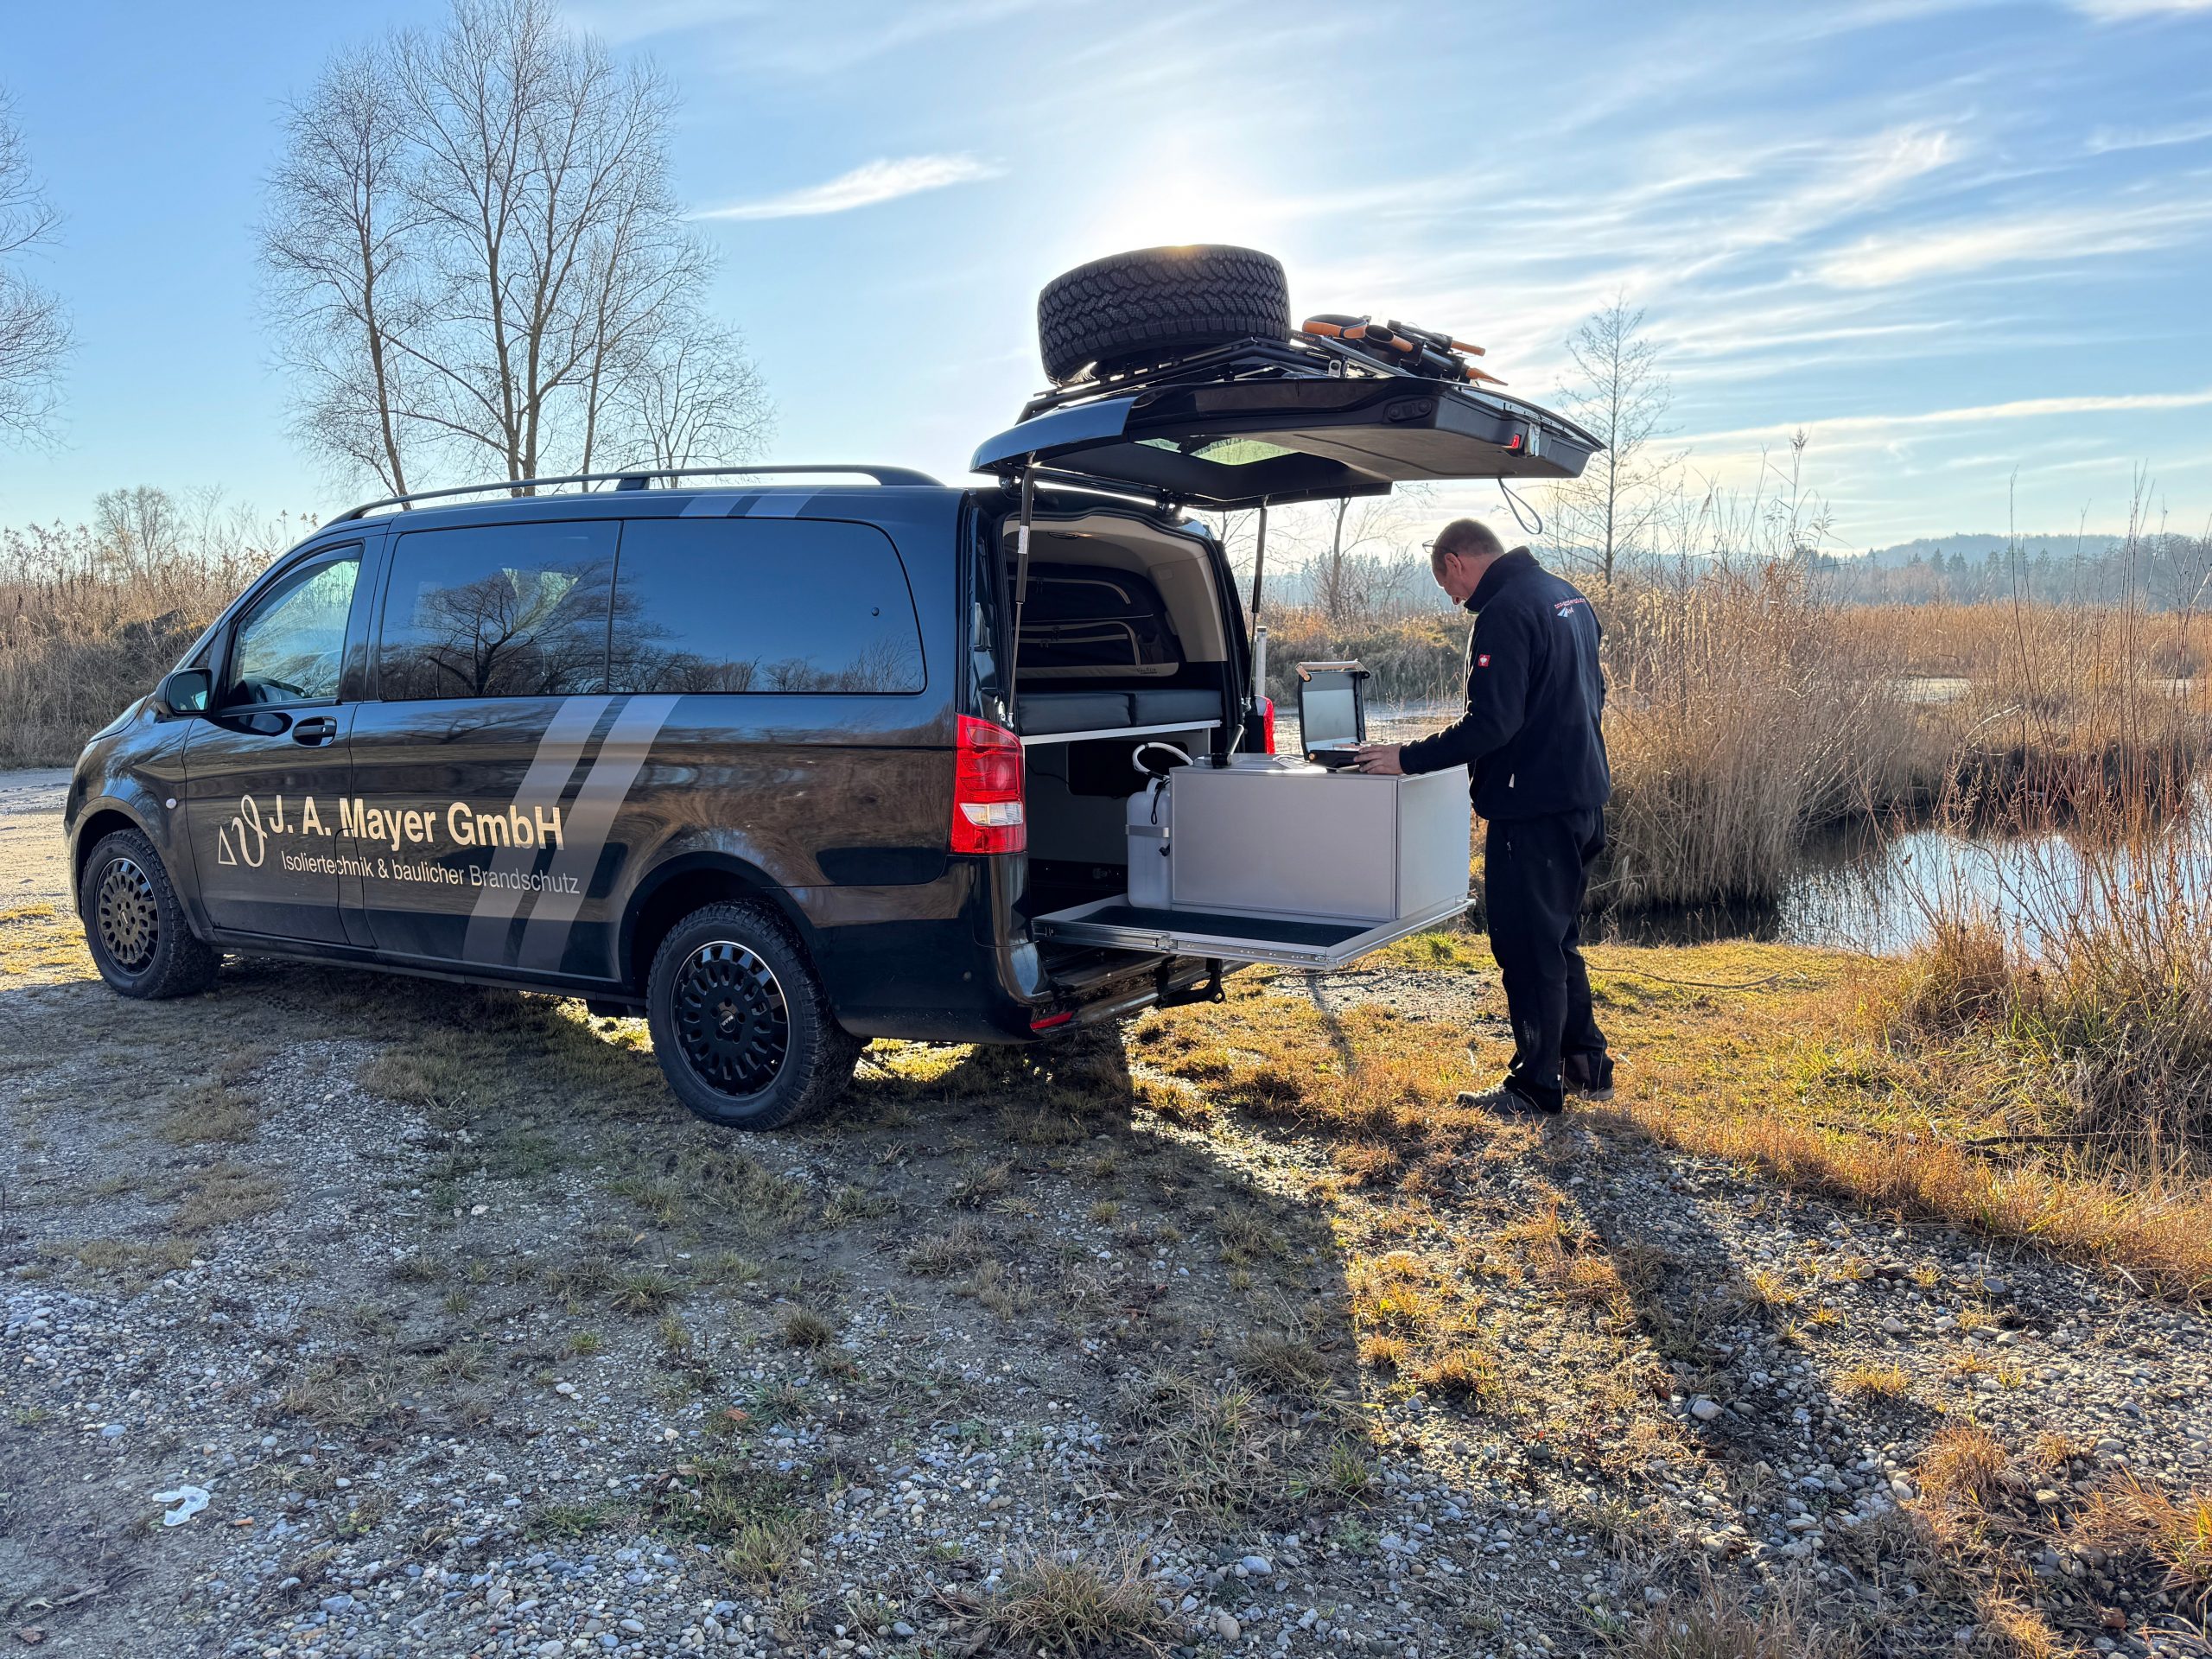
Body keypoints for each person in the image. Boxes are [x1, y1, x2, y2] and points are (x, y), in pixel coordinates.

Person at [1351, 518, 1613, 1113]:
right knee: (1559, 937)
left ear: (1457, 562)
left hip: (1534, 810)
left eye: (1446, 584)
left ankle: (1533, 1087)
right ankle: (1585, 1065)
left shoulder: (1505, 611)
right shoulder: (1565, 594)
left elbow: (1492, 723)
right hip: (1582, 797)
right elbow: (1594, 692)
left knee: (1527, 946)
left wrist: (1406, 758)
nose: (1452, 598)